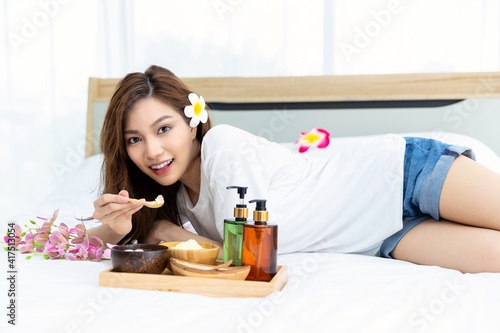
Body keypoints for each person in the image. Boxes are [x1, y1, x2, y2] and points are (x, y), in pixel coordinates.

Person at [89, 65, 500, 273]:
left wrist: (163, 233)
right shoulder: (173, 197)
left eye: (164, 129)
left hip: (404, 174)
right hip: (386, 235)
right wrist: (121, 224)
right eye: (135, 139)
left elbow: (247, 259)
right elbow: (86, 238)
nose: (154, 150)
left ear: (194, 122)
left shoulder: (223, 145)